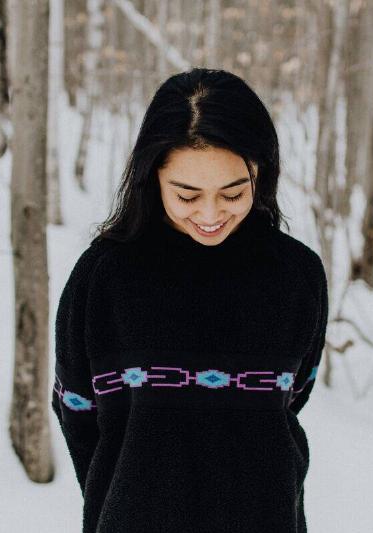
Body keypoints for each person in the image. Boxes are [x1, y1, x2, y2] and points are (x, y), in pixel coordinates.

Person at [52, 67, 329, 533]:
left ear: (260, 171)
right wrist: (129, 494)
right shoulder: (104, 276)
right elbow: (77, 410)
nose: (210, 214)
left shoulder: (296, 274)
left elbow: (293, 396)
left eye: (233, 192)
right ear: (152, 176)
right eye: (186, 194)